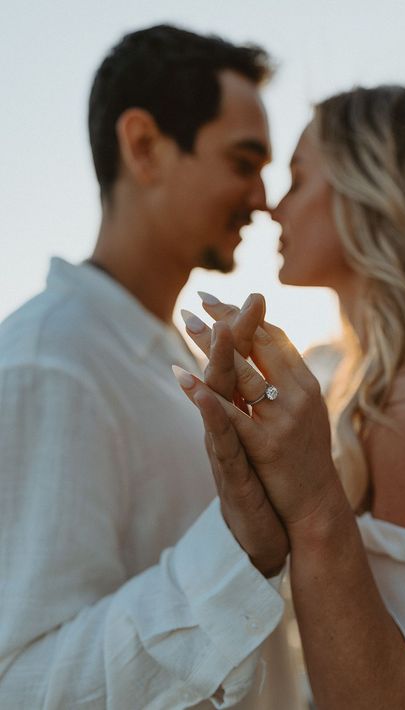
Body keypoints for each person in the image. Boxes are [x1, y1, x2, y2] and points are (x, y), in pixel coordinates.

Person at [0, 25, 304, 709]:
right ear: (143, 146)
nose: (262, 197)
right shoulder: (50, 363)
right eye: (243, 160)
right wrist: (238, 552)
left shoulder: (162, 355)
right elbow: (18, 684)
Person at [175, 86, 405, 709]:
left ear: (374, 192)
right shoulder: (382, 381)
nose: (274, 209)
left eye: (299, 179)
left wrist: (312, 505)